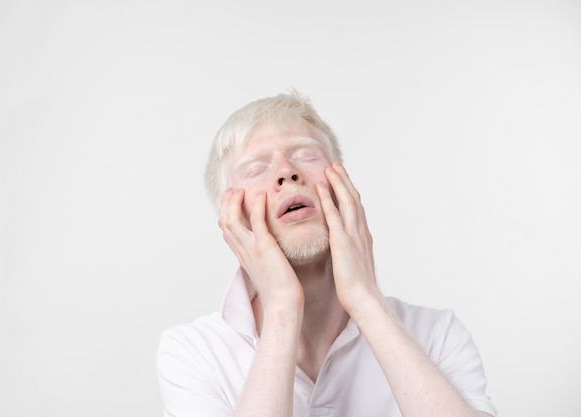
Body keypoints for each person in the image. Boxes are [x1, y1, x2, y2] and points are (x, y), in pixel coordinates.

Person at [156, 91, 497, 417]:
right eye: (256, 168)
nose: (287, 173)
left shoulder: (437, 334)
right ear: (231, 217)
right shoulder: (192, 353)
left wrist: (366, 300)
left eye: (306, 155)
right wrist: (283, 309)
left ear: (343, 187)